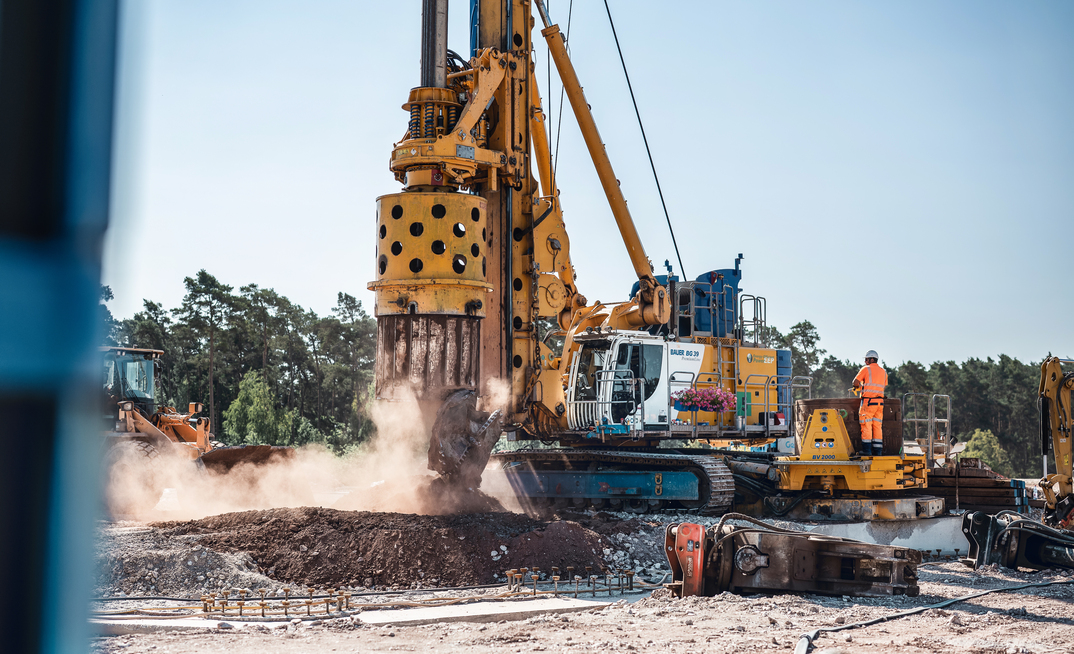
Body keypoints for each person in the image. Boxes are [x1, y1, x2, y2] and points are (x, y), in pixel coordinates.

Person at [852, 350, 887, 457]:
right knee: (877, 426)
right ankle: (878, 451)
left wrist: (858, 387)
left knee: (866, 424)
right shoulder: (883, 372)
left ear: (872, 359)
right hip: (880, 403)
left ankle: (867, 450)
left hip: (868, 402)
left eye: (866, 359)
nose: (865, 361)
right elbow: (878, 386)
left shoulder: (866, 369)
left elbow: (855, 382)